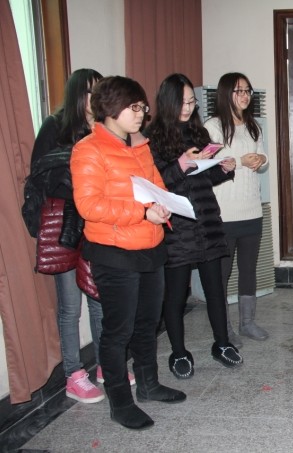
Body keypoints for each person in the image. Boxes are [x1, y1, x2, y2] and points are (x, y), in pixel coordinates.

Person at [71, 76, 186, 430]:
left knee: (148, 324)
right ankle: (120, 402)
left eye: (143, 107)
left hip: (150, 247)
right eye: (134, 107)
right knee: (118, 331)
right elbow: (89, 205)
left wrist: (163, 206)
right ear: (110, 108)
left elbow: (156, 185)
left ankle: (149, 385)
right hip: (114, 252)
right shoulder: (89, 149)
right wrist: (141, 212)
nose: (142, 114)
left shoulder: (139, 145)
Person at [144, 73, 242, 379]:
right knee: (176, 296)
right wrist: (181, 165)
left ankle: (222, 344)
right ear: (168, 102)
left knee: (216, 290)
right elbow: (156, 184)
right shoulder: (153, 139)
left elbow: (203, 177)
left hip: (207, 220)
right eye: (183, 102)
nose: (188, 108)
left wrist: (222, 169)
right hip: (177, 226)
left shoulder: (198, 133)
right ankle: (178, 352)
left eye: (192, 102)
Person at [29, 68, 112, 404]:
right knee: (69, 306)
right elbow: (40, 176)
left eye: (101, 91)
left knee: (98, 298)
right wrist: (79, 185)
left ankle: (106, 365)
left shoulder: (105, 127)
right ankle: (73, 375)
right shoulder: (55, 126)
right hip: (64, 225)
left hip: (96, 223)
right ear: (77, 94)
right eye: (91, 92)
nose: (97, 98)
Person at [204, 72, 269, 345]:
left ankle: (247, 323)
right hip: (224, 213)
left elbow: (264, 159)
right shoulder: (213, 126)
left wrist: (261, 159)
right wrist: (242, 162)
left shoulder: (253, 125)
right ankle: (225, 328)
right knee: (222, 273)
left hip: (252, 210)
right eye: (238, 90)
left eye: (247, 91)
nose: (245, 96)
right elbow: (210, 164)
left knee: (248, 269)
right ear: (225, 93)